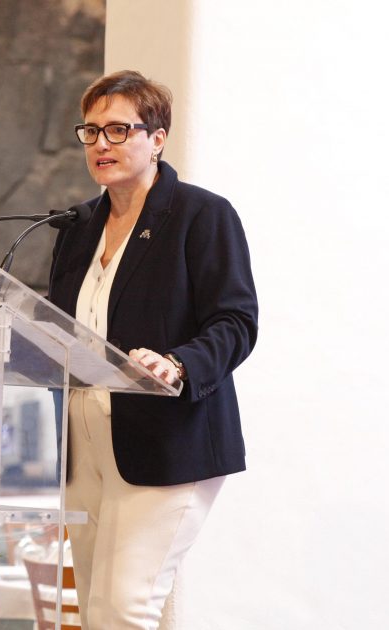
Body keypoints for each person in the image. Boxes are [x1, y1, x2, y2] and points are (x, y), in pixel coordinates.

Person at [47, 69, 258, 629]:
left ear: (157, 138)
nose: (101, 144)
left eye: (118, 130)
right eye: (91, 132)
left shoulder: (200, 215)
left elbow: (236, 320)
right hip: (84, 444)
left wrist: (179, 362)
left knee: (122, 610)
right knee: (96, 607)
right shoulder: (77, 226)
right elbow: (57, 326)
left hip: (167, 438)